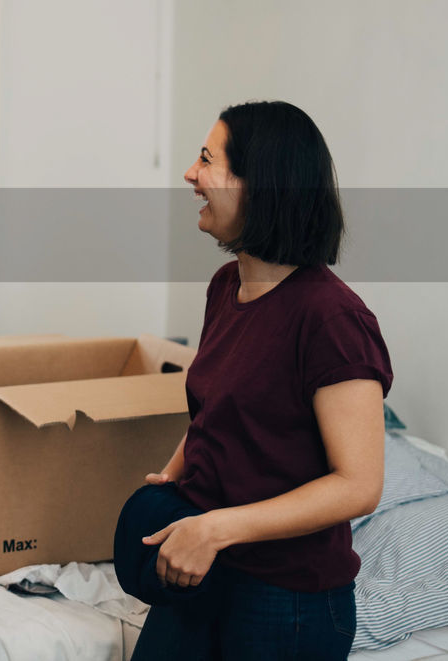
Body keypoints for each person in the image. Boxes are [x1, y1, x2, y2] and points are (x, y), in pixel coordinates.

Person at [119, 101, 392, 660]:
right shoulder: (226, 285)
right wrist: (174, 475)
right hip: (207, 569)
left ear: (261, 185)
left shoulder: (331, 319)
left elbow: (359, 485)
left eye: (206, 160)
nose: (190, 176)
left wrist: (215, 529)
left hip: (286, 600)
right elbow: (218, 406)